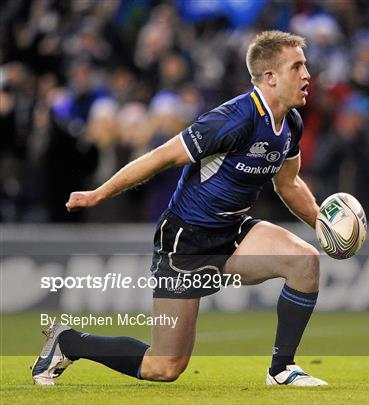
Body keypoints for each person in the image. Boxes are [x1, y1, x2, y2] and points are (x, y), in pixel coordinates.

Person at [32, 31, 327, 387]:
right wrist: (99, 193)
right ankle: (68, 342)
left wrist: (322, 226)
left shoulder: (291, 123)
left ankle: (282, 369)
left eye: (305, 66)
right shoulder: (231, 119)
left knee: (305, 262)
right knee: (165, 366)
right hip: (185, 242)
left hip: (234, 231)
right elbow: (161, 157)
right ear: (270, 77)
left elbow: (289, 184)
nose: (307, 75)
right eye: (297, 66)